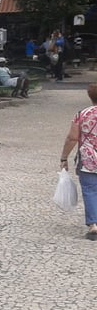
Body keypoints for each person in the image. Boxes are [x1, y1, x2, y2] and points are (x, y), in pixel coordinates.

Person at [59, 84, 97, 241]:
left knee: (89, 190)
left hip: (88, 158)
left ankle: (94, 225)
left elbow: (73, 138)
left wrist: (64, 157)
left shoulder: (82, 114)